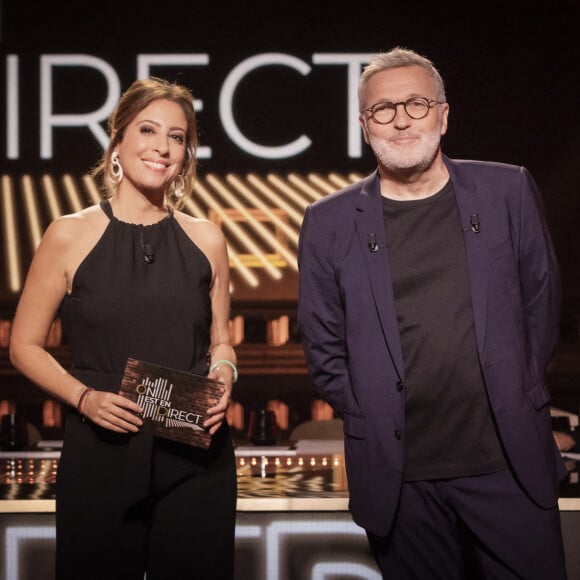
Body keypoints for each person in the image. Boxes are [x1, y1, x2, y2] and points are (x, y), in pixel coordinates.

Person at [297, 47, 568, 579]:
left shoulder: (507, 190)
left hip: (507, 468)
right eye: (383, 110)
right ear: (363, 125)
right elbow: (323, 344)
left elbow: (543, 303)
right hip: (400, 483)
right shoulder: (328, 221)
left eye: (416, 104)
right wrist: (369, 408)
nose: (400, 119)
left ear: (443, 115)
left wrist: (519, 384)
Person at [9, 77, 238, 580]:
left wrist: (224, 375)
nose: (162, 147)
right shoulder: (68, 235)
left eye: (177, 137)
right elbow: (23, 346)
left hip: (196, 452)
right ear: (118, 141)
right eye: (149, 130)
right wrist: (83, 397)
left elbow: (222, 339)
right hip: (103, 448)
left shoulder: (207, 238)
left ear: (187, 153)